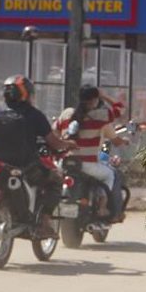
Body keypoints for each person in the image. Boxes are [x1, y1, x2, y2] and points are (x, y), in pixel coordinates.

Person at [0, 76, 70, 217]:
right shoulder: (34, 115)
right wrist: (68, 144)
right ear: (26, 94)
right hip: (26, 166)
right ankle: (45, 219)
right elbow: (54, 142)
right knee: (57, 179)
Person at [57, 85, 128, 220]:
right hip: (88, 165)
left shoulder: (67, 114)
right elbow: (121, 109)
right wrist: (104, 95)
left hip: (65, 163)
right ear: (95, 100)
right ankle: (102, 206)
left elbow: (54, 132)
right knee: (110, 175)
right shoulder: (100, 116)